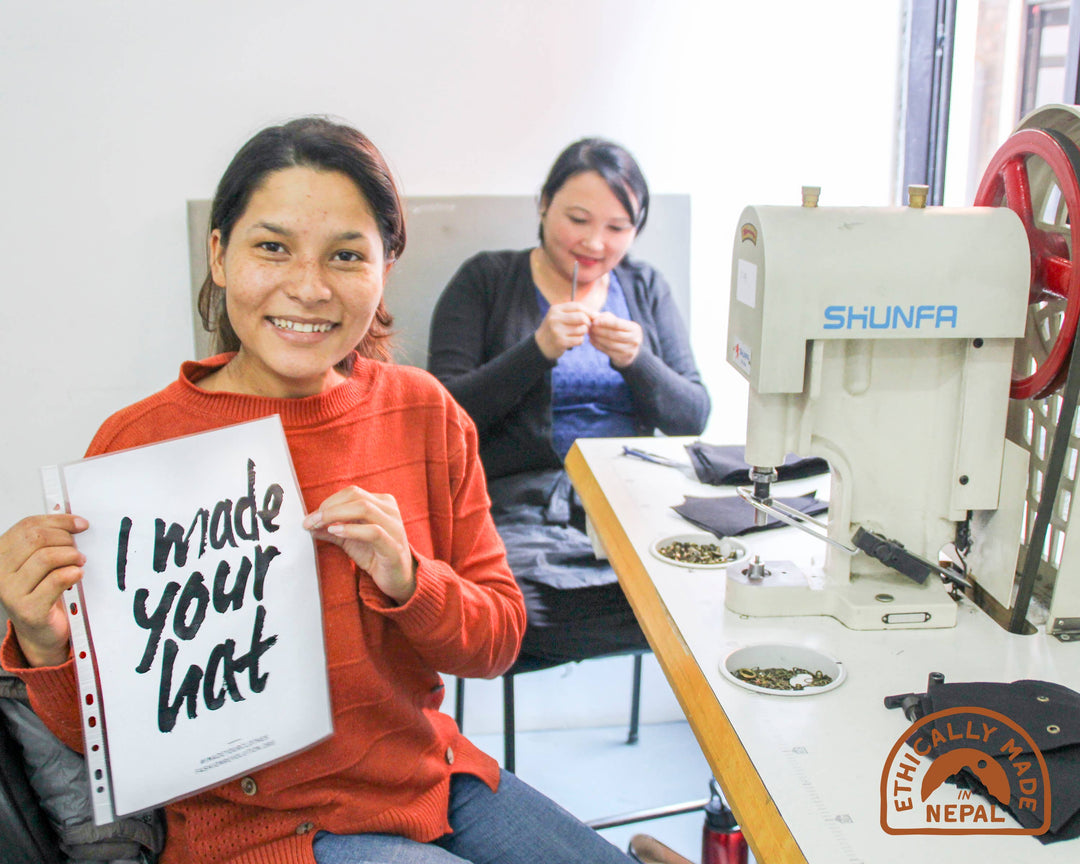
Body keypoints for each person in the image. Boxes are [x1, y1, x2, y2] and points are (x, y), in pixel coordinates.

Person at [0, 117, 639, 864]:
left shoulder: (425, 412)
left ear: (385, 267)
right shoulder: (138, 447)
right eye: (272, 247)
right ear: (219, 254)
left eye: (345, 256)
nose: (307, 287)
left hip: (430, 778)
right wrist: (44, 641)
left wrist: (409, 579)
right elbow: (112, 745)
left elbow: (497, 639)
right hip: (263, 833)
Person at [428, 138, 710, 664]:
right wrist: (536, 351)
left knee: (703, 594)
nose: (595, 243)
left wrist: (638, 361)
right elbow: (444, 417)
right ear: (542, 204)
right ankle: (632, 615)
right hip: (517, 505)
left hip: (629, 499)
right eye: (577, 219)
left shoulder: (645, 287)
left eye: (617, 227)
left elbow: (692, 417)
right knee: (517, 615)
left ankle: (629, 610)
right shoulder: (487, 279)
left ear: (636, 230)